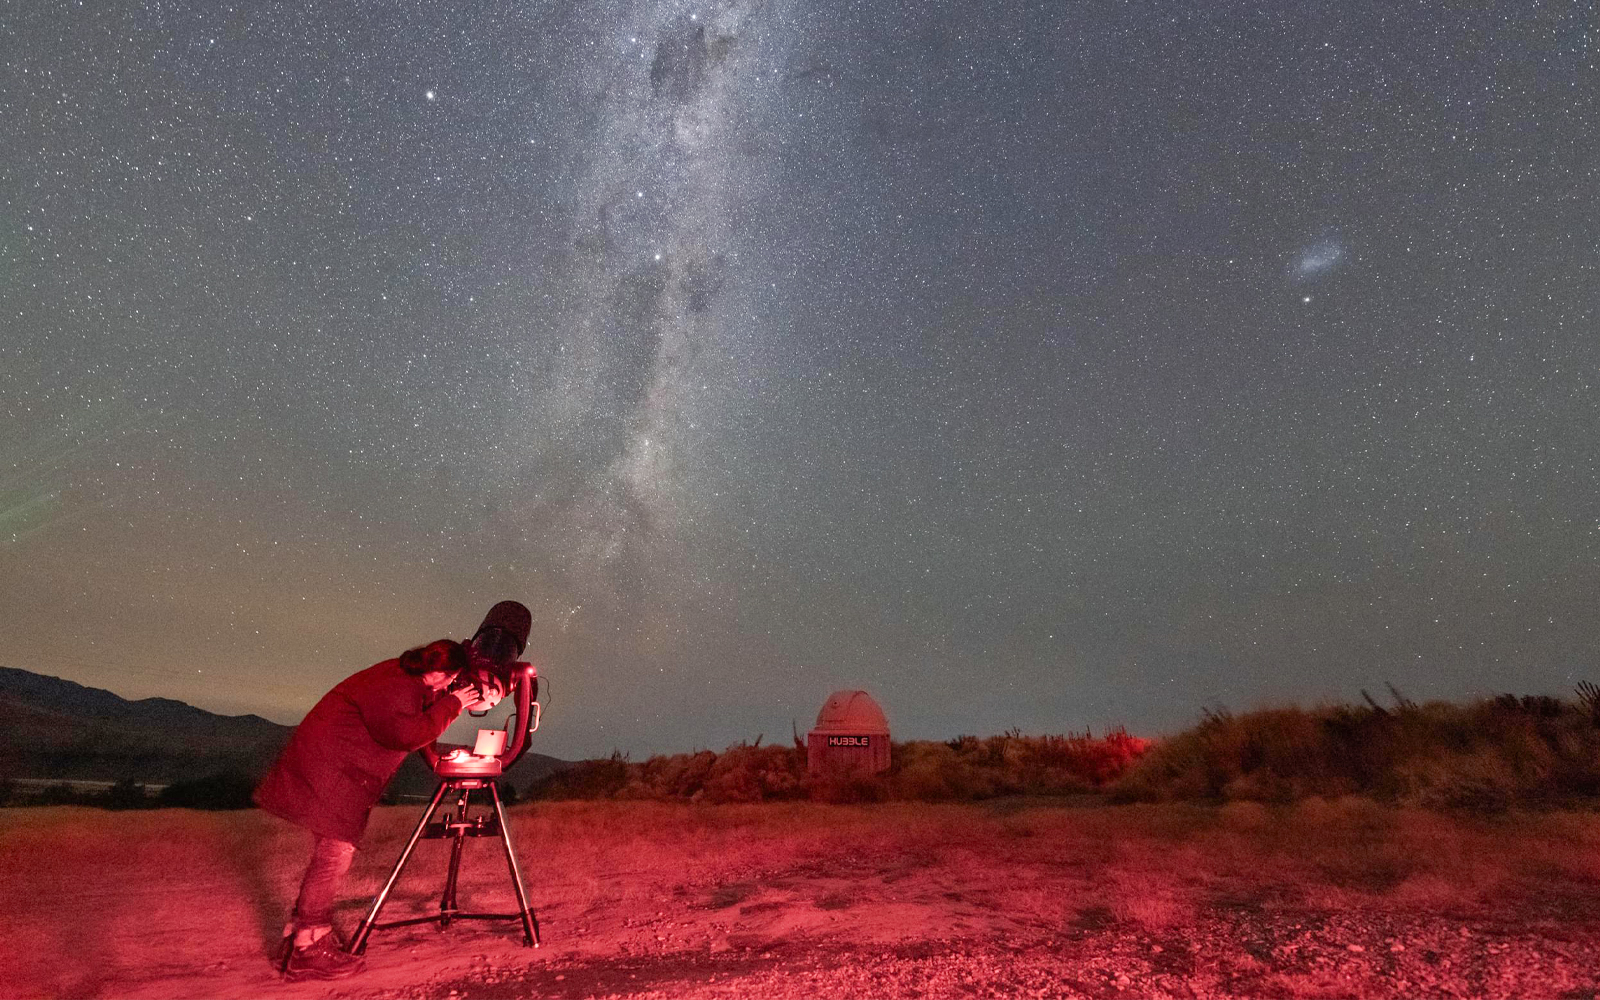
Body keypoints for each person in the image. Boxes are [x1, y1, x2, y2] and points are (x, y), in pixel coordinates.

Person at [254, 637, 503, 981]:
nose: (450, 686)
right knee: (334, 855)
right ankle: (308, 948)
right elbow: (404, 733)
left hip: (332, 768)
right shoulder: (398, 687)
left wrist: (454, 697)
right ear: (438, 672)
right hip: (332, 772)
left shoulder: (402, 676)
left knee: (330, 854)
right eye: (450, 679)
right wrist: (454, 704)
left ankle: (296, 937)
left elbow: (422, 707)